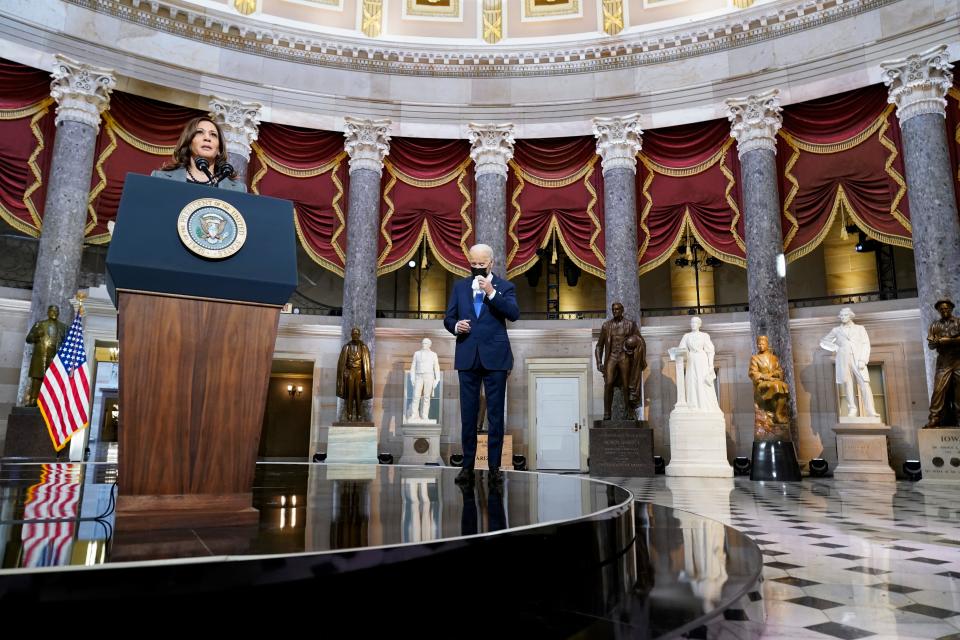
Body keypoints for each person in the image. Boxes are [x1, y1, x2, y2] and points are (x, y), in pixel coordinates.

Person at [444, 244, 519, 486]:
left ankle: (495, 467)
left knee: (495, 415)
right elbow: (448, 317)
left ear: (491, 263)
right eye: (473, 264)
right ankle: (467, 466)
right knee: (468, 414)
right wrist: (456, 326)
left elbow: (513, 313)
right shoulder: (459, 287)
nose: (476, 268)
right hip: (467, 355)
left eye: (481, 264)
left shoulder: (505, 287)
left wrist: (491, 293)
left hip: (495, 357)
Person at [151, 117, 246, 192]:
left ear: (219, 149)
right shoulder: (161, 179)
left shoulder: (237, 189)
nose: (207, 138)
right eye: (200, 132)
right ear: (188, 142)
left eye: (213, 135)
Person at [819, 307, 879, 418]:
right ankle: (852, 409)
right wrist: (836, 347)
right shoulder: (836, 330)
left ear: (850, 315)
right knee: (848, 385)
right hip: (843, 360)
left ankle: (871, 410)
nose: (842, 317)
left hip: (858, 360)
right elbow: (823, 342)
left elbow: (866, 344)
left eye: (845, 315)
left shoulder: (860, 329)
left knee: (865, 384)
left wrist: (863, 359)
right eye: (841, 316)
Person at [595, 302, 645, 419]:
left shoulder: (630, 325)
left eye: (617, 309)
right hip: (611, 357)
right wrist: (598, 361)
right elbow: (599, 346)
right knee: (608, 383)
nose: (615, 311)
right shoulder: (606, 326)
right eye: (613, 309)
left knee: (626, 384)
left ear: (622, 310)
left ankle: (629, 412)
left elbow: (640, 341)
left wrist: (635, 346)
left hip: (624, 357)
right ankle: (607, 413)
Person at [926, 299, 960, 428]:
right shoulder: (935, 325)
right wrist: (936, 343)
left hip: (958, 360)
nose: (944, 311)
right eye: (941, 309)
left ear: (951, 309)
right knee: (938, 389)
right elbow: (930, 345)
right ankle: (934, 418)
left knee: (959, 391)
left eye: (946, 308)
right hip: (943, 361)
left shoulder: (958, 322)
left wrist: (947, 341)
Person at [748, 335, 791, 439]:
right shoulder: (755, 358)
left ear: (767, 344)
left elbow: (779, 371)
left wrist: (775, 374)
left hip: (774, 382)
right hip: (762, 385)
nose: (760, 346)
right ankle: (778, 414)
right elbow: (752, 373)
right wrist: (766, 377)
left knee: (783, 386)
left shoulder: (773, 358)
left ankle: (778, 413)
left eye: (763, 344)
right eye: (759, 344)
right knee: (777, 386)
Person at [24, 305, 68, 407]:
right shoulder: (39, 324)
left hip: (55, 358)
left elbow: (67, 342)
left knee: (52, 380)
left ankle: (49, 402)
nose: (54, 313)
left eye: (56, 311)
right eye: (52, 311)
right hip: (40, 357)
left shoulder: (64, 327)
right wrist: (36, 335)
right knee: (37, 379)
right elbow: (28, 339)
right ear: (48, 312)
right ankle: (33, 399)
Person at [676, 316, 720, 412]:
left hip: (701, 359)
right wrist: (678, 352)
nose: (693, 324)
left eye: (695, 323)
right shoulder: (686, 336)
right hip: (691, 359)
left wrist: (710, 365)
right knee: (691, 381)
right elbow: (681, 349)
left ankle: (704, 406)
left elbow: (710, 351)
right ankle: (693, 405)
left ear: (699, 324)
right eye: (691, 323)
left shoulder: (704, 335)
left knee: (702, 381)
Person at [336, 327, 373, 422]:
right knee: (349, 395)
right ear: (351, 335)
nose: (355, 335)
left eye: (357, 334)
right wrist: (345, 371)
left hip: (360, 373)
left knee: (358, 395)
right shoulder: (346, 347)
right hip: (350, 373)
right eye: (353, 334)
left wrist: (365, 378)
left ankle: (359, 415)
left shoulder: (363, 347)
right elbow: (342, 363)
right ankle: (349, 415)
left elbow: (367, 364)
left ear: (359, 335)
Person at [409, 338, 441, 422]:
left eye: (426, 343)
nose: (424, 344)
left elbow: (436, 367)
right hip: (419, 376)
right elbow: (413, 367)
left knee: (427, 397)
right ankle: (414, 414)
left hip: (429, 376)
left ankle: (425, 415)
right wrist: (412, 377)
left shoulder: (433, 354)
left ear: (430, 344)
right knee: (416, 396)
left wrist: (437, 379)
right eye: (423, 343)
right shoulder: (417, 353)